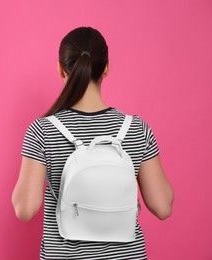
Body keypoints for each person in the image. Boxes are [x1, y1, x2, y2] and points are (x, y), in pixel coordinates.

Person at [11, 26, 174, 259]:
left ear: (61, 69)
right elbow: (163, 207)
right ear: (106, 68)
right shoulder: (137, 129)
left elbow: (24, 209)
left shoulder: (42, 131)